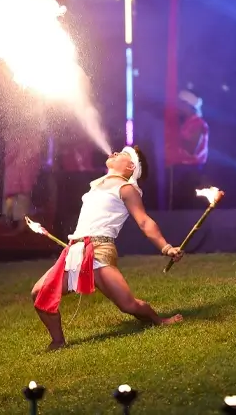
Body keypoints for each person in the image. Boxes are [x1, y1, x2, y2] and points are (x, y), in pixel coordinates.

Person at [31, 146, 184, 351]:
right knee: (39, 293)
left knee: (128, 305)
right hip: (75, 251)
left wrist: (166, 247)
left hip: (99, 250)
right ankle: (58, 341)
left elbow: (144, 221)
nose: (115, 153)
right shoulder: (96, 186)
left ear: (131, 166)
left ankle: (160, 321)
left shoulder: (127, 189)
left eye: (122, 154)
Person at [167, 89, 209, 208]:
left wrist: (174, 137)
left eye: (181, 103)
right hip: (181, 169)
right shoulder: (187, 123)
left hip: (190, 171)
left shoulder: (198, 123)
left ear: (189, 105)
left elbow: (192, 149)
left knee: (187, 205)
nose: (178, 107)